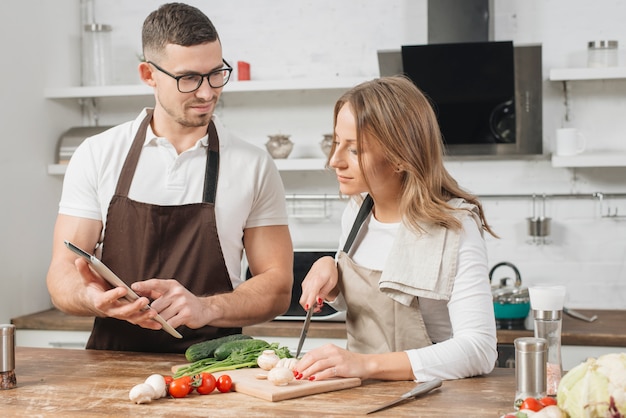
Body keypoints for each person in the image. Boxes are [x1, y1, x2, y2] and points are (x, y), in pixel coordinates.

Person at [46, 2, 293, 353]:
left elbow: (278, 286)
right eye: (189, 78)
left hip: (213, 372)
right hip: (110, 367)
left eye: (216, 73)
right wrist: (90, 298)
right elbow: (61, 274)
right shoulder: (97, 154)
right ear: (149, 75)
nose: (207, 93)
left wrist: (207, 307)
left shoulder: (254, 165)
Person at [294, 76, 498, 382]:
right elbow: (369, 311)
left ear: (401, 156)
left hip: (432, 401)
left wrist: (367, 365)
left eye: (354, 150)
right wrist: (331, 272)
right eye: (337, 142)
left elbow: (479, 350)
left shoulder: (455, 227)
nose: (334, 161)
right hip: (360, 399)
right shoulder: (356, 214)